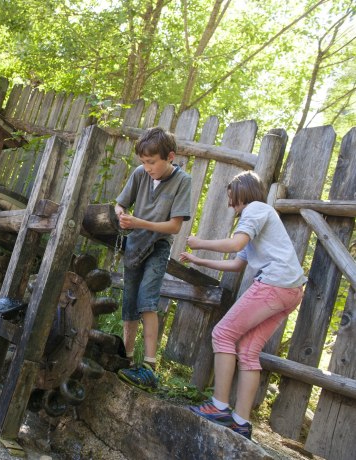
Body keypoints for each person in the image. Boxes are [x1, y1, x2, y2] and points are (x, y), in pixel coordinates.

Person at [180, 171, 306, 440]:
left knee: (222, 334)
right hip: (291, 290)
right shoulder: (261, 217)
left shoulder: (256, 209)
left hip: (275, 284)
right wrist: (198, 261)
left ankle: (219, 406)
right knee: (248, 350)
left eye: (231, 197)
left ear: (243, 192)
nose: (229, 204)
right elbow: (237, 264)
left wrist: (200, 242)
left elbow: (236, 242)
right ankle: (241, 422)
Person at [115, 126, 191, 391]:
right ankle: (124, 358)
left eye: (151, 162)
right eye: (143, 162)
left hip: (158, 246)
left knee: (147, 300)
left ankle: (148, 365)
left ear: (169, 156)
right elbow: (120, 203)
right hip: (135, 244)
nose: (147, 167)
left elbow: (174, 227)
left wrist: (139, 222)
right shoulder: (139, 175)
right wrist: (121, 215)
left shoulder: (183, 181)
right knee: (130, 300)